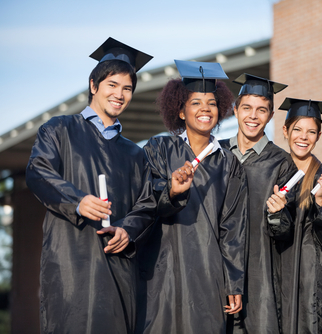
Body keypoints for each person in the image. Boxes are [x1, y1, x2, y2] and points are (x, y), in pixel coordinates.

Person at [25, 37, 157, 333]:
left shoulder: (135, 154)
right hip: (70, 261)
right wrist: (77, 201)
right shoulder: (59, 130)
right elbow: (38, 171)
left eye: (127, 88)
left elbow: (147, 205)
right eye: (112, 85)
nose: (120, 94)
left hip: (118, 270)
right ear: (94, 85)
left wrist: (128, 230)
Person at [137, 60, 248, 334]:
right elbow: (144, 202)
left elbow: (233, 228)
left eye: (211, 103)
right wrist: (171, 191)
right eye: (195, 103)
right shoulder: (159, 148)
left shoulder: (229, 163)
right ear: (181, 111)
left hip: (208, 273)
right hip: (164, 269)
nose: (205, 109)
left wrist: (234, 282)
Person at [219, 74, 297, 334]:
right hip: (216, 274)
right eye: (247, 108)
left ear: (271, 115)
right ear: (235, 110)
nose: (253, 116)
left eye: (261, 110)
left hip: (260, 277)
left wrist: (277, 214)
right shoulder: (216, 154)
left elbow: (286, 232)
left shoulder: (282, 163)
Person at [266, 98, 322, 334]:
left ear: (319, 136)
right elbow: (278, 234)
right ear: (285, 131)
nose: (303, 137)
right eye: (297, 129)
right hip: (280, 277)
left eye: (311, 132)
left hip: (315, 282)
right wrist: (276, 213)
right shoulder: (274, 173)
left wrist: (321, 200)